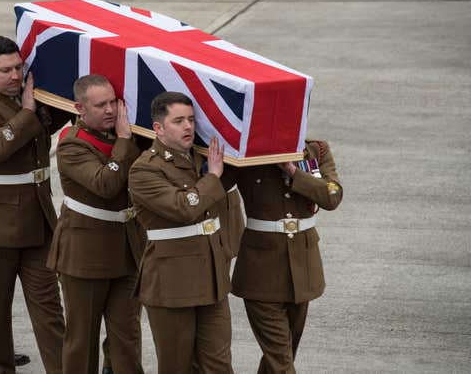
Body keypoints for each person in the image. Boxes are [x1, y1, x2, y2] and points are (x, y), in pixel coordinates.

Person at [0, 36, 70, 374]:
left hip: (36, 220)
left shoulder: (30, 96)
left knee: (49, 308)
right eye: (6, 70)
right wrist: (28, 111)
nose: (15, 76)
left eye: (19, 67)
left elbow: (56, 119)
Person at [128, 91, 234, 374]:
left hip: (212, 279)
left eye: (191, 119)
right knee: (177, 366)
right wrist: (212, 177)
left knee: (219, 365)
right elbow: (183, 208)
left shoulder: (200, 158)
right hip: (172, 282)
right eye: (178, 121)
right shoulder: (145, 170)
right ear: (159, 128)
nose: (188, 126)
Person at [47, 74, 144, 374]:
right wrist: (126, 142)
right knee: (82, 338)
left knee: (127, 335)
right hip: (85, 254)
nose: (110, 111)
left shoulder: (124, 134)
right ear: (80, 108)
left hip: (127, 249)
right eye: (100, 105)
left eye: (113, 102)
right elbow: (106, 184)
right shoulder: (72, 146)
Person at [230, 140, 343, 373]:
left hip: (303, 271)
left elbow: (332, 195)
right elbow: (216, 183)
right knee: (281, 362)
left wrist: (293, 171)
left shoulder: (316, 150)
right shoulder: (246, 153)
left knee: (283, 356)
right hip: (260, 273)